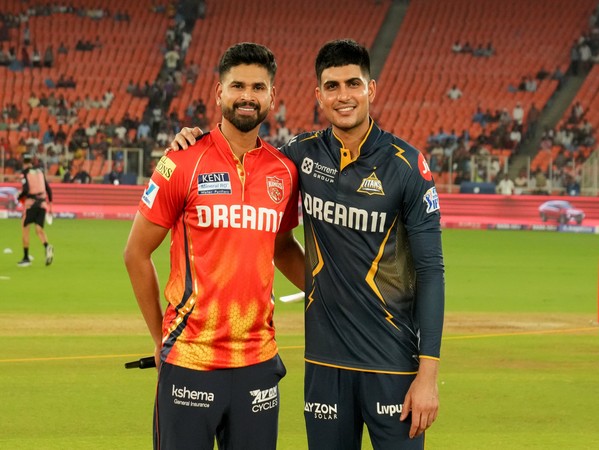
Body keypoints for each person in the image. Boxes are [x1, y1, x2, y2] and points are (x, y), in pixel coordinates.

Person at [171, 39, 445, 450]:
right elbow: (246, 158)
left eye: (353, 84)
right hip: (324, 364)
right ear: (318, 95)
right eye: (332, 86)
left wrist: (428, 376)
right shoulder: (300, 156)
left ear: (371, 89)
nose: (344, 96)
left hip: (391, 363)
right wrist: (193, 141)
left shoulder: (407, 166)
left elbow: (431, 272)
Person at [123, 42, 305, 450]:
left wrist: (326, 286)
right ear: (218, 92)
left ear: (272, 96)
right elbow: (135, 253)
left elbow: (283, 246)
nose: (247, 95)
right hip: (190, 360)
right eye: (237, 85)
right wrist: (160, 338)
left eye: (258, 87)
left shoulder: (284, 171)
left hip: (258, 363)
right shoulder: (181, 162)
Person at [17, 154, 54, 267]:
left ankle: (26, 257)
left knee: (25, 228)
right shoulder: (40, 171)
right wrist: (50, 204)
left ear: (24, 162)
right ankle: (47, 246)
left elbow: (26, 189)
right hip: (42, 204)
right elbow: (48, 188)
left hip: (31, 205)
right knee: (39, 229)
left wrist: (19, 197)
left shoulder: (24, 173)